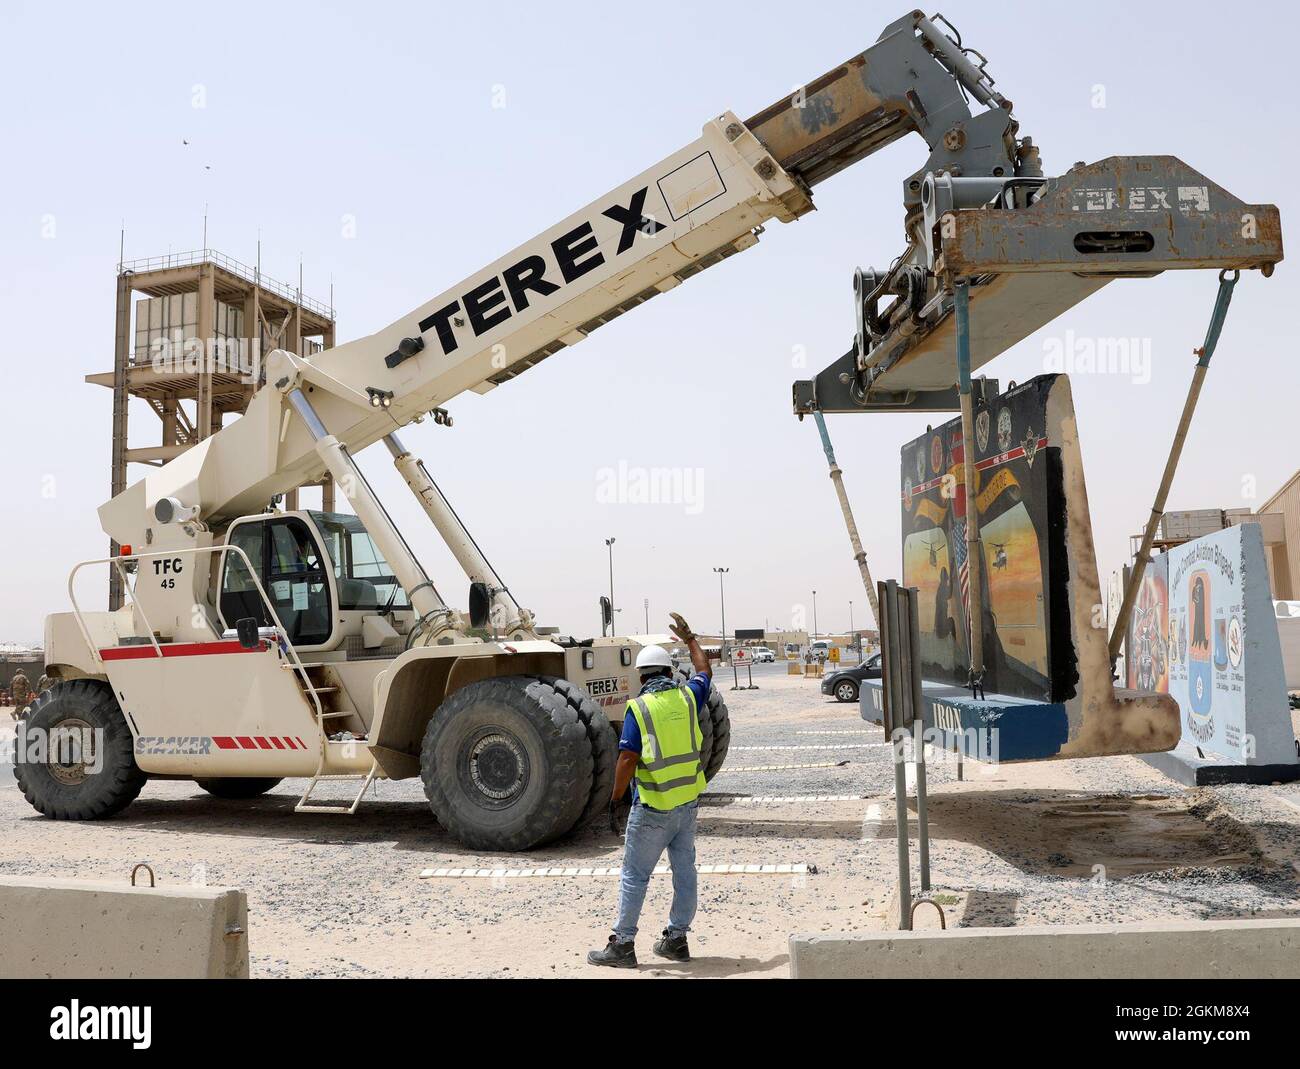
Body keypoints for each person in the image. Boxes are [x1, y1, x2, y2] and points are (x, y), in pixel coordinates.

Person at [588, 612, 710, 969]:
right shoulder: (688, 698)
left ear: (641, 676)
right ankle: (677, 939)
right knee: (684, 871)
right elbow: (705, 672)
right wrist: (690, 640)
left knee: (634, 876)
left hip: (654, 805)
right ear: (669, 673)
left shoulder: (639, 708)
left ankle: (623, 945)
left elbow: (627, 759)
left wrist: (614, 800)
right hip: (686, 804)